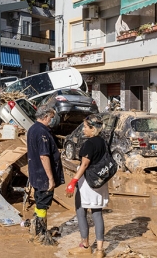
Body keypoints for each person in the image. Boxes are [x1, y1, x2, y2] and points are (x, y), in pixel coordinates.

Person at [65, 115, 109, 258]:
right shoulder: (103, 142)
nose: (83, 129)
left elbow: (84, 165)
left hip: (87, 182)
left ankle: (85, 245)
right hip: (100, 181)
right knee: (97, 213)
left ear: (93, 129)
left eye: (85, 127)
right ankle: (100, 250)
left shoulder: (89, 144)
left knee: (81, 211)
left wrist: (73, 182)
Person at [26, 104, 64, 244]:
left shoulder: (32, 129)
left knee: (40, 203)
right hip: (43, 176)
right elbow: (44, 156)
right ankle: (40, 235)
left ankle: (36, 230)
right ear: (46, 116)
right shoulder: (42, 133)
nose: (53, 120)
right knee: (43, 204)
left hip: (36, 175)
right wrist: (50, 178)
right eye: (52, 117)